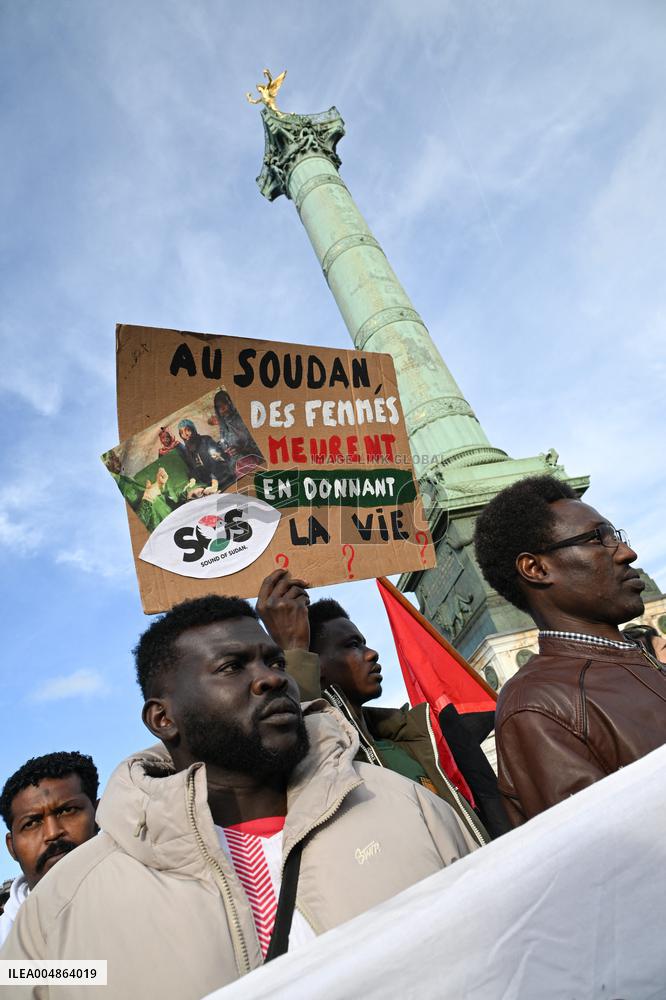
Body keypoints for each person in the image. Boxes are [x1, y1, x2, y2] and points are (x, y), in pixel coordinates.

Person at [2, 596, 476, 997]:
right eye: (231, 667)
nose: (272, 678)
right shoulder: (63, 908)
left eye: (273, 661)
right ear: (163, 719)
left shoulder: (409, 810)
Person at [257, 570, 507, 843]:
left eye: (364, 642)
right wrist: (294, 649)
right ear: (316, 666)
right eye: (352, 645)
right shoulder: (337, 757)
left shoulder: (415, 740)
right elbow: (310, 762)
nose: (371, 653)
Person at [473, 474, 666, 826]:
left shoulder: (646, 662)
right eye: (598, 539)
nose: (626, 552)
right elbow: (610, 861)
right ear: (536, 568)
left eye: (615, 536)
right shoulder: (539, 708)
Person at [0, 752, 98, 947]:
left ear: (99, 815)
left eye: (67, 811)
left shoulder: (151, 895)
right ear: (12, 847)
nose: (52, 833)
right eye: (31, 823)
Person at [212, 389, 263, 479]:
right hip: (239, 468)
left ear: (230, 402)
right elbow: (227, 448)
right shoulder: (223, 427)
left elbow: (260, 443)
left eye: (225, 403)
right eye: (219, 406)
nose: (223, 408)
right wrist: (224, 453)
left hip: (255, 462)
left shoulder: (243, 418)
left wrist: (242, 448)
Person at [177, 418, 232, 490]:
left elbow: (219, 457)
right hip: (208, 483)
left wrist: (214, 478)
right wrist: (192, 479)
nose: (185, 434)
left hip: (223, 477)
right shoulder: (187, 450)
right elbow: (193, 469)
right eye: (182, 432)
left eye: (188, 430)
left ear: (193, 429)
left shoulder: (206, 440)